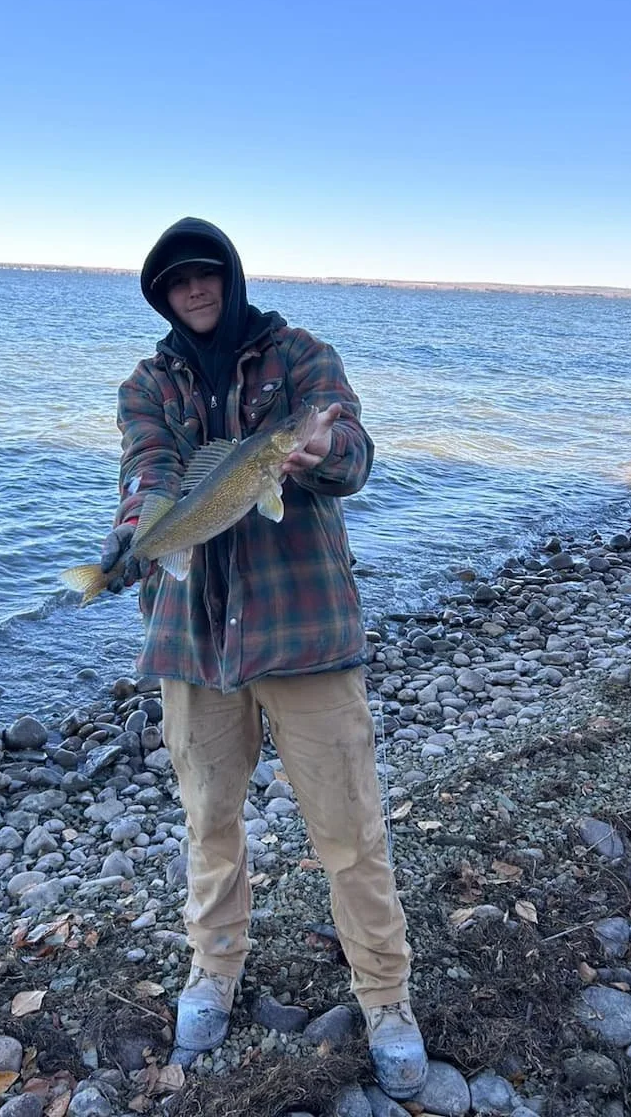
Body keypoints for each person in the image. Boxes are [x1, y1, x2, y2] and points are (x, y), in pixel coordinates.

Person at [99, 217, 427, 1100]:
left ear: (230, 278)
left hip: (305, 629)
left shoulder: (301, 357)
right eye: (177, 282)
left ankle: (387, 997)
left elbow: (354, 452)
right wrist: (138, 533)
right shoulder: (146, 384)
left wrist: (320, 450)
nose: (195, 291)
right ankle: (214, 969)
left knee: (350, 827)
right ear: (162, 296)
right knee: (208, 820)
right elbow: (147, 467)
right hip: (191, 636)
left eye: (206, 275)